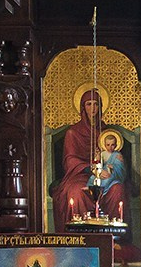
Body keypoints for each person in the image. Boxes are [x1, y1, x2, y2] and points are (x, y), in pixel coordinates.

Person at [51, 88, 127, 228]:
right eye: (89, 104)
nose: (93, 108)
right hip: (80, 175)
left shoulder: (107, 132)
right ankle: (81, 236)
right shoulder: (73, 133)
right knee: (76, 192)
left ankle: (112, 235)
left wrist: (115, 162)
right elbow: (70, 160)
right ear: (82, 107)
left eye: (96, 104)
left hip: (105, 175)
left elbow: (114, 154)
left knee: (117, 189)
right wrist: (90, 168)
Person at [87, 131, 128, 221]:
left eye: (113, 145)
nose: (110, 147)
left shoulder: (117, 155)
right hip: (102, 172)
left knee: (107, 180)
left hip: (112, 175)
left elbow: (120, 170)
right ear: (104, 145)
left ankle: (102, 191)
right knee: (93, 179)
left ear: (116, 145)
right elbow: (97, 164)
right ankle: (94, 191)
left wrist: (113, 167)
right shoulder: (103, 154)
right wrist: (97, 158)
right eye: (108, 145)